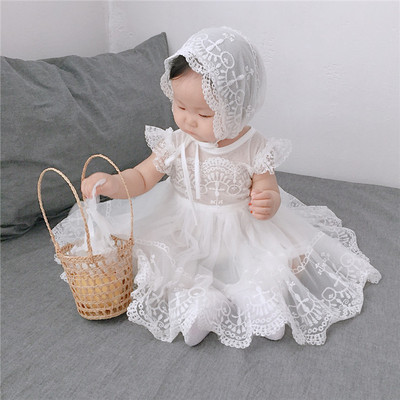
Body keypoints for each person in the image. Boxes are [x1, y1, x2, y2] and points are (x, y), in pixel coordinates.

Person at [79, 27, 381, 348]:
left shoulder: (253, 146)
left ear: (237, 108)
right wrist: (113, 183)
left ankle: (261, 303)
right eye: (180, 106)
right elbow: (141, 178)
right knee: (167, 266)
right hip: (182, 225)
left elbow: (267, 186)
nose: (188, 120)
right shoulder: (176, 143)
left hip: (240, 229)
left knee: (277, 264)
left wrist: (269, 200)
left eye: (204, 113)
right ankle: (200, 307)